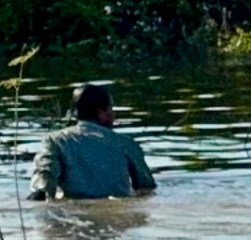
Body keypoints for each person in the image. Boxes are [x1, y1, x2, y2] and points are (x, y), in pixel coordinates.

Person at [28, 83, 156, 201]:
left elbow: (44, 179)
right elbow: (146, 188)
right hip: (117, 212)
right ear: (100, 112)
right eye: (110, 108)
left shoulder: (56, 141)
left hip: (75, 211)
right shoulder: (127, 144)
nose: (114, 114)